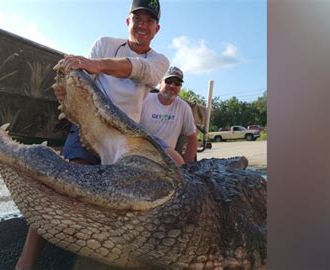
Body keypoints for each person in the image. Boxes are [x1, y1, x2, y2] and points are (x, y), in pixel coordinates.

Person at [16, 0, 169, 269]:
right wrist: (67, 93)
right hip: (90, 123)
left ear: (157, 28)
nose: (143, 25)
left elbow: (139, 70)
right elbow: (83, 84)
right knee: (62, 180)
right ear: (128, 21)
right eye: (138, 18)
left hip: (126, 137)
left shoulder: (159, 61)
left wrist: (95, 64)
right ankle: (25, 262)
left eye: (149, 20)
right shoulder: (104, 43)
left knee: (141, 194)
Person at [140, 66, 198, 164]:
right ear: (160, 82)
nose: (172, 86)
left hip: (167, 160)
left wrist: (188, 167)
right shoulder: (144, 100)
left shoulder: (183, 107)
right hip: (142, 155)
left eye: (177, 83)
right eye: (169, 81)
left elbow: (192, 137)